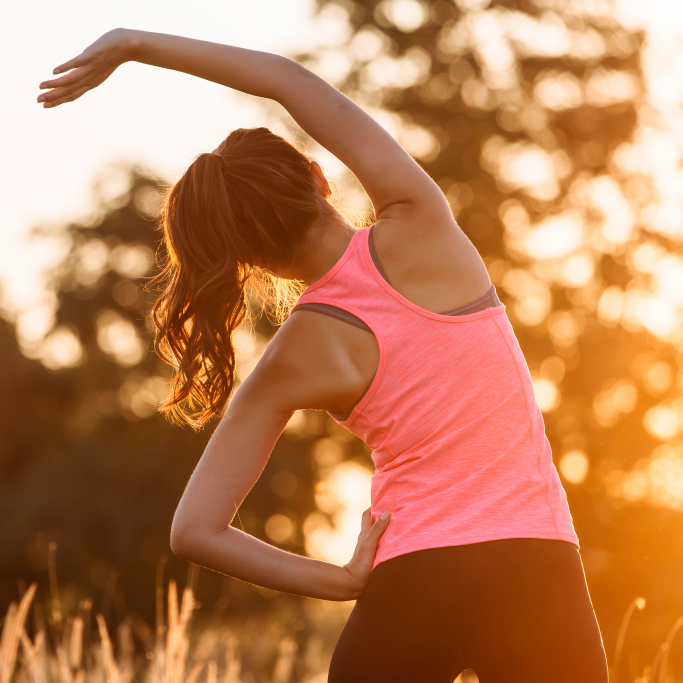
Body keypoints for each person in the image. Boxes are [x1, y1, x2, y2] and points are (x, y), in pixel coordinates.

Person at [38, 29, 607, 682]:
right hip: (533, 564)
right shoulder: (420, 222)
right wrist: (134, 45)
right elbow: (286, 79)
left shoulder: (291, 355)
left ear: (248, 260)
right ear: (318, 177)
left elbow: (193, 529)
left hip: (411, 581)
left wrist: (339, 580)